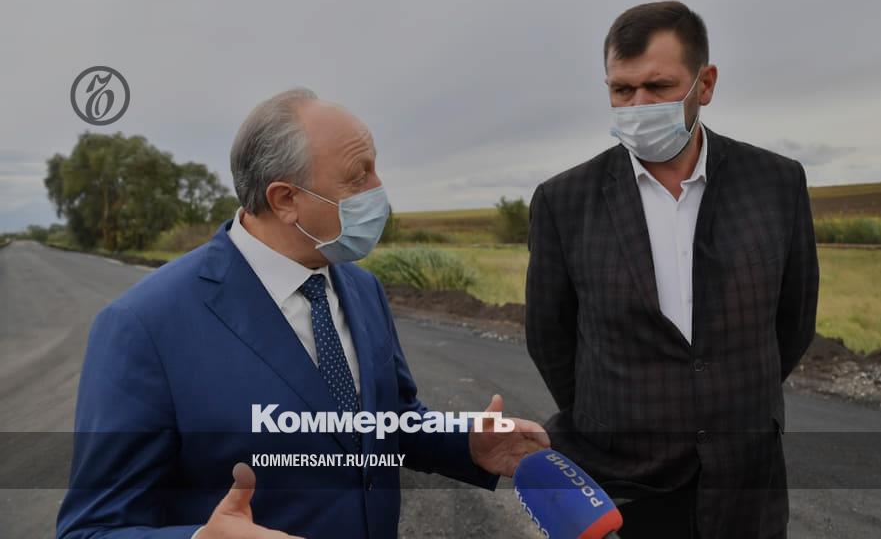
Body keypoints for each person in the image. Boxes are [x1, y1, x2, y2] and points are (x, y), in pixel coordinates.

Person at [57, 88, 549, 539]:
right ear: (286, 199)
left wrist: (466, 444)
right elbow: (92, 529)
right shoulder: (143, 326)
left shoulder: (362, 288)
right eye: (358, 176)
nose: (379, 190)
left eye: (375, 170)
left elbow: (388, 420)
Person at [525, 1, 819, 538]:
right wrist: (609, 420)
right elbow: (550, 337)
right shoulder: (563, 202)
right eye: (622, 90)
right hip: (623, 487)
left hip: (746, 485)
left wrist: (727, 398)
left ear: (704, 84)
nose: (638, 104)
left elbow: (793, 320)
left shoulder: (776, 184)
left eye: (658, 86)